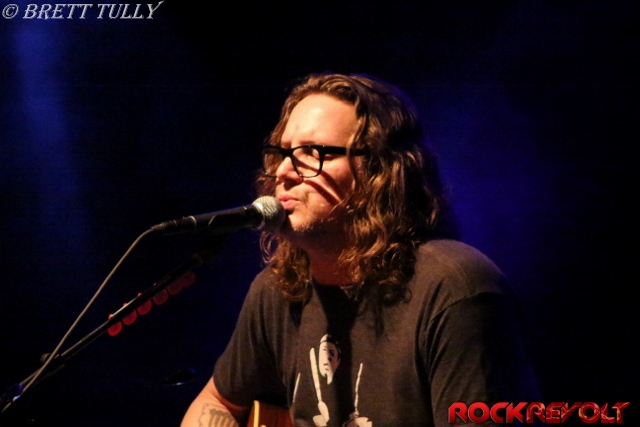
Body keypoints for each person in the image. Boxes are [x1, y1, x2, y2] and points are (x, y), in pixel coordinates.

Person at [180, 72, 540, 427]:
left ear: (379, 173)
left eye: (312, 152)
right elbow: (218, 401)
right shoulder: (278, 291)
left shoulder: (455, 289)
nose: (285, 171)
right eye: (283, 152)